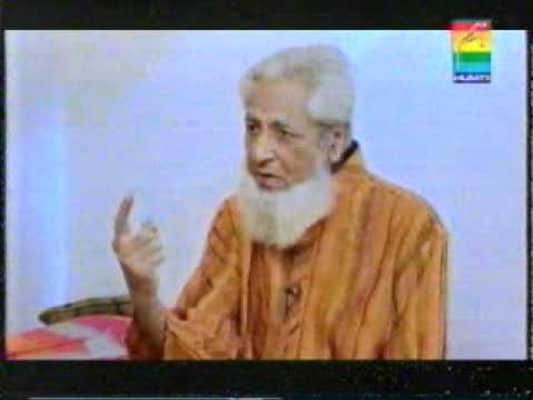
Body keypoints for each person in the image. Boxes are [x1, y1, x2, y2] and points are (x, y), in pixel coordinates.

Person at [112, 45, 449, 360]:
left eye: (282, 133)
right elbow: (197, 352)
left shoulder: (409, 227)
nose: (259, 152)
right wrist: (143, 295)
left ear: (334, 141)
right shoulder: (236, 216)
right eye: (252, 128)